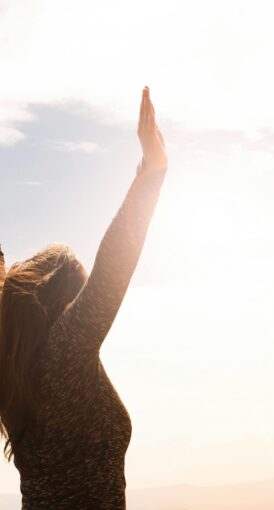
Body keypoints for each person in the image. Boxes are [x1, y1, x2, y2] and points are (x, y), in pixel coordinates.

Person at [0, 86, 168, 509]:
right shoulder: (64, 354)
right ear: (61, 302)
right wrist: (150, 174)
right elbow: (112, 270)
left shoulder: (13, 374)